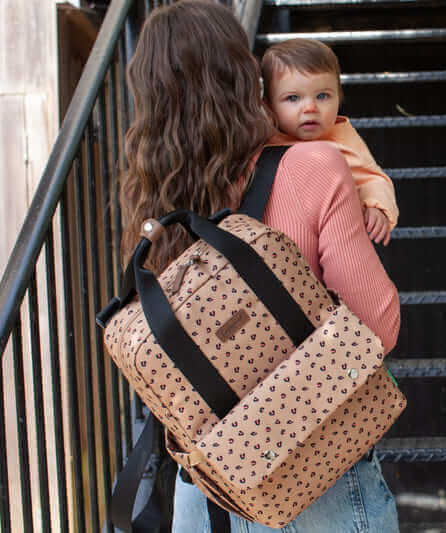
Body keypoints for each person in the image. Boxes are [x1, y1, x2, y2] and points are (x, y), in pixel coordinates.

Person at [119, 2, 401, 532]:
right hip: (319, 472)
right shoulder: (312, 163)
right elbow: (375, 328)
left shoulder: (156, 199)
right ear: (246, 76)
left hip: (207, 483)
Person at [261, 38, 399, 246]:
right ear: (268, 105)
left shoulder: (341, 138)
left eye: (323, 96)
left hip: (332, 241)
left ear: (339, 98)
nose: (310, 108)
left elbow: (372, 179)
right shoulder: (262, 140)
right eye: (293, 98)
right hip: (276, 244)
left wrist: (376, 206)